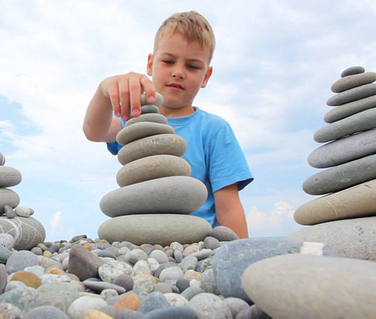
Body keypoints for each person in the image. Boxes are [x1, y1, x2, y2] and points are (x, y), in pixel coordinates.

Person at [83, 10, 253, 238]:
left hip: (195, 245)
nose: (178, 72)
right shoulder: (134, 118)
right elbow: (94, 131)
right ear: (151, 64)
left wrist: (239, 257)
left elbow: (229, 206)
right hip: (140, 240)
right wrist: (104, 91)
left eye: (192, 66)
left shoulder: (215, 130)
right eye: (168, 61)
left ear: (206, 76)